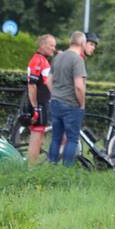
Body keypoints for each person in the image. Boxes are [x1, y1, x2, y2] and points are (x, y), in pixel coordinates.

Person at [47, 31, 89, 166]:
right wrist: (82, 104)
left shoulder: (58, 57)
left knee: (55, 138)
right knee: (72, 139)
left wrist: (56, 94)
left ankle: (51, 167)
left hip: (55, 102)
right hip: (71, 105)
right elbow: (79, 86)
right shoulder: (77, 59)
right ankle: (66, 172)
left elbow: (48, 81)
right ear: (82, 43)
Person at [25, 34, 56, 164]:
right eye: (51, 45)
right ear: (42, 45)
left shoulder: (43, 60)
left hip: (43, 103)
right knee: (36, 138)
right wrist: (34, 107)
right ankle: (30, 169)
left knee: (40, 138)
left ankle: (33, 165)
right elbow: (31, 85)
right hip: (38, 105)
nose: (53, 49)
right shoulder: (37, 60)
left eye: (54, 46)